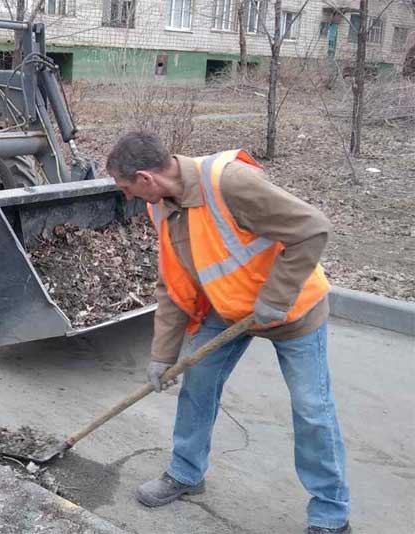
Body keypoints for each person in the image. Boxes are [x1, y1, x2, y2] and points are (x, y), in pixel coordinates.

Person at [106, 130, 351, 534]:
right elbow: (173, 285)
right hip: (227, 311)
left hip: (292, 310)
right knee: (197, 384)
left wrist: (276, 297)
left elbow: (312, 228)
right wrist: (163, 355)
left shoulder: (229, 182)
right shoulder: (162, 207)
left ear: (146, 178)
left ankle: (330, 512)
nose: (128, 196)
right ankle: (185, 473)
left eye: (126, 186)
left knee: (312, 408)